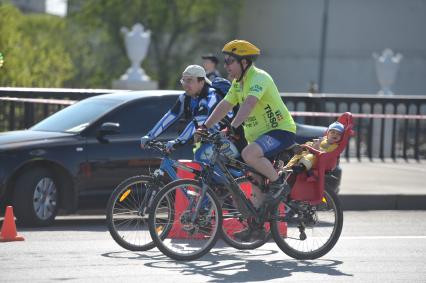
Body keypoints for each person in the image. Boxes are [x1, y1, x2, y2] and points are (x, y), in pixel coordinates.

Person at [198, 39, 297, 241]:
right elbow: (224, 105)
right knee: (255, 182)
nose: (225, 66)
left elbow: (250, 103)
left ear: (244, 63)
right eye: (225, 62)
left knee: (248, 154)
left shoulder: (259, 78)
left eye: (229, 61)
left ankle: (279, 184)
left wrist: (233, 126)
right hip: (260, 137)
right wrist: (205, 127)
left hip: (280, 131)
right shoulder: (238, 83)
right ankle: (257, 227)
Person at [140, 65, 231, 152]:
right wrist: (150, 136)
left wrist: (179, 140)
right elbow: (170, 115)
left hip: (231, 138)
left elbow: (198, 121)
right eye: (184, 80)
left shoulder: (211, 96)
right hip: (211, 140)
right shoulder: (185, 97)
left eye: (190, 81)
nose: (185, 84)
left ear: (201, 82)